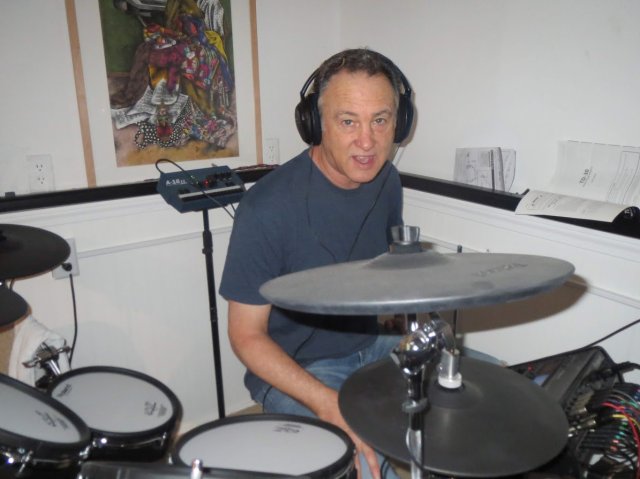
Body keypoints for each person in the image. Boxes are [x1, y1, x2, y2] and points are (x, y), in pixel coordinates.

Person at [219, 48, 414, 479]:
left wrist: (409, 336)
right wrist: (328, 404)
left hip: (375, 344)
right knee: (366, 463)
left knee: (480, 396)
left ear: (399, 123)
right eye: (348, 121)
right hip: (302, 367)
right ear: (314, 123)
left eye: (380, 120)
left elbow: (387, 271)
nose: (367, 141)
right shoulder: (266, 207)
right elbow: (245, 336)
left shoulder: (386, 179)